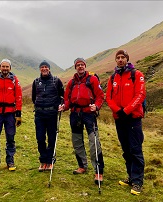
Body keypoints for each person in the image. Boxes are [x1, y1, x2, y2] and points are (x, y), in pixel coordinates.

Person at [105, 50, 146, 196]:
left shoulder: (136, 75)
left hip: (133, 118)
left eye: (123, 57)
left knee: (135, 149)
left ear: (127, 59)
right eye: (118, 58)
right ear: (115, 60)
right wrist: (118, 110)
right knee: (126, 149)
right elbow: (108, 97)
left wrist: (127, 110)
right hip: (119, 118)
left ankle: (138, 182)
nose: (120, 60)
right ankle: (130, 176)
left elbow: (140, 95)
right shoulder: (113, 77)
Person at [58, 57, 105, 185]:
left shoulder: (93, 79)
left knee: (93, 142)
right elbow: (67, 99)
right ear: (75, 67)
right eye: (78, 65)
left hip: (89, 114)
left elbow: (100, 96)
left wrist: (96, 106)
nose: (80, 67)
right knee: (77, 141)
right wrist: (64, 106)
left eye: (82, 64)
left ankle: (98, 171)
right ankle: (82, 166)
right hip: (75, 114)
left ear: (85, 66)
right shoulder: (71, 82)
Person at [0, 58, 22, 172]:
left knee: (10, 137)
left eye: (7, 67)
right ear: (0, 67)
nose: (5, 68)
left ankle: (10, 161)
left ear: (10, 68)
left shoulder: (14, 80)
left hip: (10, 113)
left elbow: (19, 97)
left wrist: (18, 114)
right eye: (3, 66)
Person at [32, 60, 64, 172]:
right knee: (40, 138)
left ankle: (50, 161)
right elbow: (33, 97)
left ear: (49, 68)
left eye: (46, 67)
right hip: (39, 115)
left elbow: (62, 96)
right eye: (42, 67)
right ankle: (43, 160)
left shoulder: (56, 81)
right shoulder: (36, 82)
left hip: (51, 114)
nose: (44, 69)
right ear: (40, 69)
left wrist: (60, 105)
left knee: (51, 138)